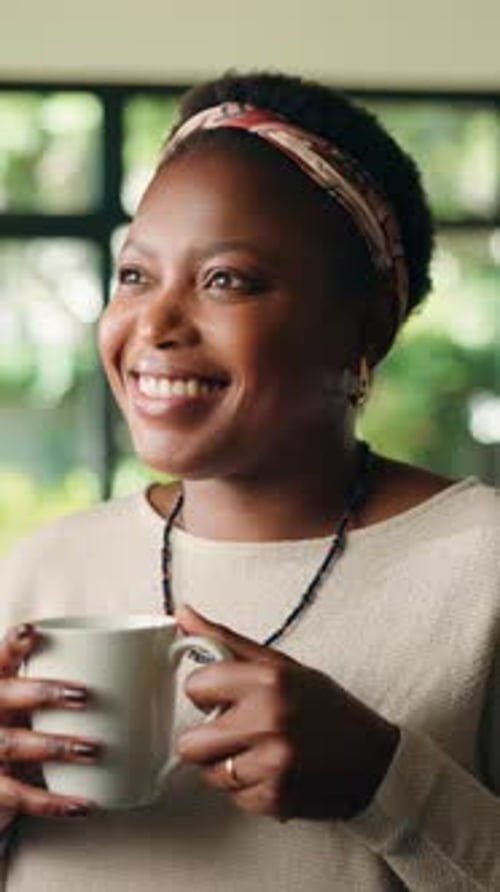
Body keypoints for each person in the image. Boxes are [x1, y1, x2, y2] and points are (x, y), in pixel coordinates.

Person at [0, 70, 498, 891]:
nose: (154, 325)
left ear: (365, 322)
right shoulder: (43, 569)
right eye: (134, 275)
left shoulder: (482, 571)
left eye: (227, 278)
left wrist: (387, 785)